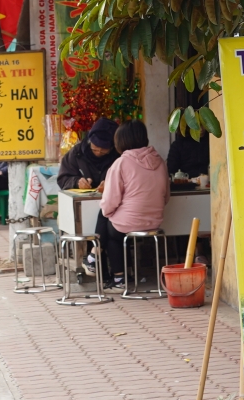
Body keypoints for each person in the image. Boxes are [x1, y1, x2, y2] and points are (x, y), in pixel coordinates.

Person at [96, 121, 167, 286]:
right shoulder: (160, 161)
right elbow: (166, 196)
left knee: (110, 229)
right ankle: (95, 257)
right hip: (154, 222)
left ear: (120, 141)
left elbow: (110, 200)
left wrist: (108, 212)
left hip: (128, 224)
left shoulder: (121, 163)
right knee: (114, 222)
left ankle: (118, 277)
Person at [58, 117, 118, 190]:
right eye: (95, 149)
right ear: (89, 141)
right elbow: (62, 179)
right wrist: (76, 182)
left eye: (103, 151)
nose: (98, 152)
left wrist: (112, 184)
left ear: (112, 147)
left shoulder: (118, 156)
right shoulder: (77, 153)